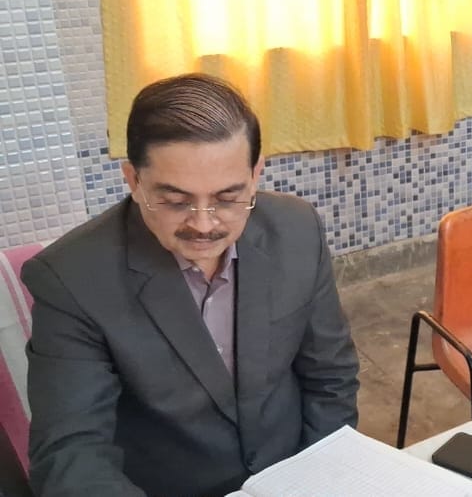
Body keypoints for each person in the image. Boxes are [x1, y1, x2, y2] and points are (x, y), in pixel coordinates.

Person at [24, 74, 360, 497]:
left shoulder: (296, 228)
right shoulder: (71, 278)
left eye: (227, 197)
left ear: (255, 174)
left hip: (293, 473)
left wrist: (317, 478)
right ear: (133, 181)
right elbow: (71, 452)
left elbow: (330, 376)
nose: (203, 225)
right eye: (175, 201)